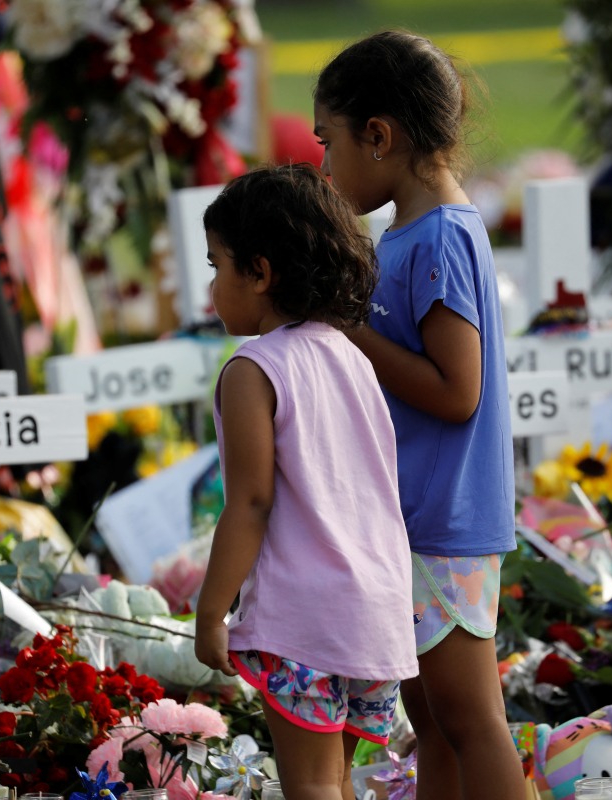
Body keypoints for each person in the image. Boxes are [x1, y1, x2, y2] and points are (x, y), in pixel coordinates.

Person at [314, 30, 526, 800]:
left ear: (379, 135)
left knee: (472, 719)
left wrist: (347, 329)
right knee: (432, 719)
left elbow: (455, 389)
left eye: (327, 142)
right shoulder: (410, 232)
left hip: (443, 516)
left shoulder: (437, 235)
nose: (325, 165)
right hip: (418, 516)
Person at [194, 164, 419, 800]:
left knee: (312, 786)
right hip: (376, 607)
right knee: (339, 782)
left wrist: (213, 610)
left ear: (260, 273)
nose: (211, 286)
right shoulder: (353, 357)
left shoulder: (254, 369)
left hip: (305, 618)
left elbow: (251, 501)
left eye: (217, 266)